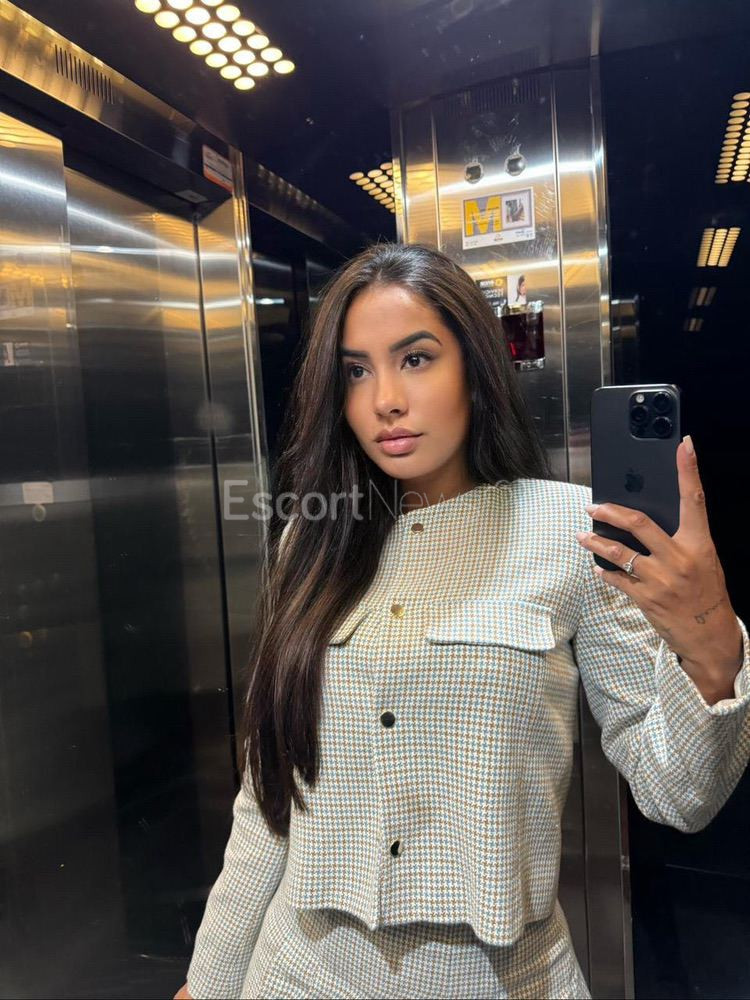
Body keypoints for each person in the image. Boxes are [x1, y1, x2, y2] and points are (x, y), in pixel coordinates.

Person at [176, 242, 749, 1000]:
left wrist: (711, 646)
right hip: (295, 975)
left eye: (415, 359)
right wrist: (207, 982)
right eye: (355, 371)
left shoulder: (571, 534)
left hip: (499, 980)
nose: (384, 399)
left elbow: (680, 793)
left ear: (475, 369)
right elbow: (267, 798)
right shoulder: (310, 541)